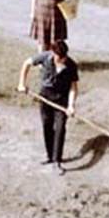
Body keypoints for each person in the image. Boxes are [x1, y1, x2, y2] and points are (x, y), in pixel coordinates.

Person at [17, 39, 79, 173]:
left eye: (64, 57)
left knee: (60, 128)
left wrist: (71, 105)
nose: (62, 60)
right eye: (59, 58)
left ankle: (57, 161)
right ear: (53, 53)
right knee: (47, 125)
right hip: (45, 96)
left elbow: (73, 87)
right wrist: (22, 83)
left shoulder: (71, 65)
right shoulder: (45, 57)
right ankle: (50, 156)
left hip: (61, 99)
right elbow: (26, 63)